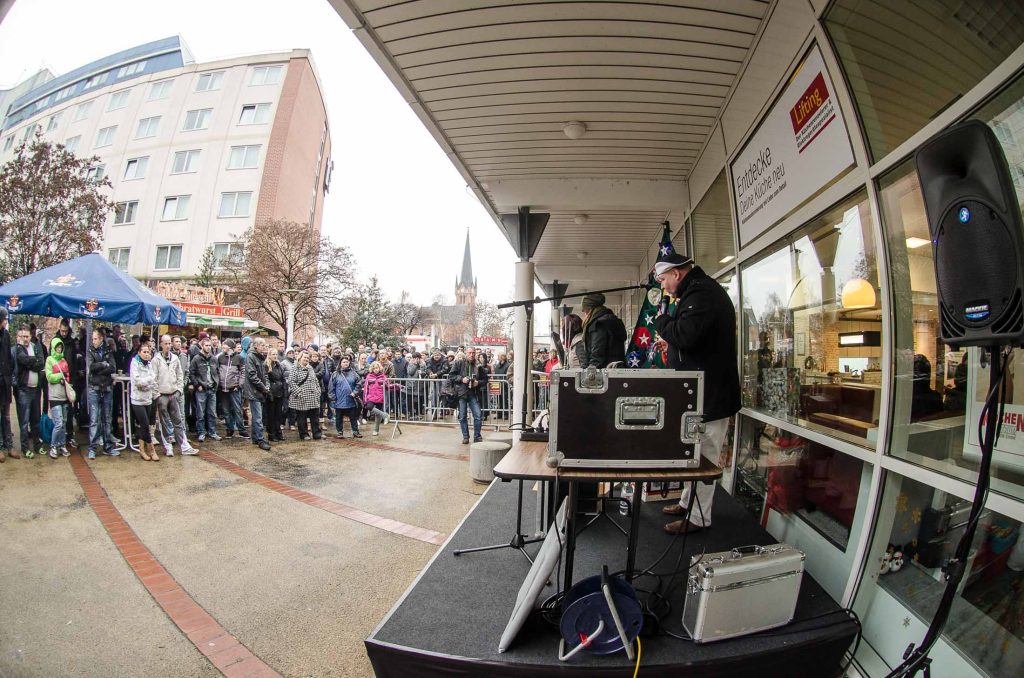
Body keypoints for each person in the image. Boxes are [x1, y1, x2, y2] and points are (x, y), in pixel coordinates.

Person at [652, 252, 741, 534]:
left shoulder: (702, 295)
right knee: (694, 453)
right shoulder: (698, 293)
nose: (663, 286)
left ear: (677, 274)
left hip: (711, 397)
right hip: (702, 395)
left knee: (705, 458)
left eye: (664, 279)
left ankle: (699, 518)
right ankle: (686, 502)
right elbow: (695, 340)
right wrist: (673, 348)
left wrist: (662, 322)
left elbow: (686, 334)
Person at [154, 334, 195, 456]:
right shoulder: (156, 360)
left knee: (178, 421)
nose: (167, 346)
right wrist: (157, 395)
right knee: (164, 423)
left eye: (169, 343)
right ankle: (168, 446)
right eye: (165, 343)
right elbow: (154, 378)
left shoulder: (175, 359)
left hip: (173, 394)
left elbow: (180, 375)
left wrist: (179, 390)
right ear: (161, 344)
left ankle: (184, 446)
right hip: (162, 395)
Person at [13, 326, 45, 458]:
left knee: (36, 420)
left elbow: (41, 363)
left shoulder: (35, 346)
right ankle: (25, 448)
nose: (25, 339)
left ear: (30, 336)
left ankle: (37, 445)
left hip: (36, 390)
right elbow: (22, 359)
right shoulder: (18, 349)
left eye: (27, 336)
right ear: (18, 337)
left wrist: (31, 362)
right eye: (22, 336)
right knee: (24, 422)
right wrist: (33, 361)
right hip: (23, 390)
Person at [86, 329, 117, 459]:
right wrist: (103, 365)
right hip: (94, 388)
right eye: (92, 339)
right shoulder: (89, 351)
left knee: (107, 418)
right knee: (94, 419)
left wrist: (101, 368)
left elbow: (112, 368)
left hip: (107, 388)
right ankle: (92, 448)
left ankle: (108, 446)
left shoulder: (108, 350)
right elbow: (91, 367)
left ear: (101, 339)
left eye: (95, 339)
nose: (93, 341)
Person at [129, 343, 160, 461]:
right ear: (139, 352)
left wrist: (147, 382)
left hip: (148, 398)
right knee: (145, 424)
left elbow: (154, 378)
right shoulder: (134, 362)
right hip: (137, 399)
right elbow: (137, 382)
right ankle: (151, 449)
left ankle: (142, 450)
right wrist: (148, 381)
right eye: (144, 352)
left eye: (148, 352)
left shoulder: (149, 364)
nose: (147, 354)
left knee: (144, 426)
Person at [580, 292, 627, 368]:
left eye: (585, 310)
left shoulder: (598, 324)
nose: (584, 313)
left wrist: (590, 371)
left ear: (590, 310)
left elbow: (597, 354)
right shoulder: (611, 320)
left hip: (605, 371)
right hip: (615, 369)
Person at [44, 336, 73, 459]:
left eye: (61, 347)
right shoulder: (49, 360)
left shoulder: (64, 361)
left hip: (64, 396)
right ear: (53, 348)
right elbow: (49, 376)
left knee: (64, 422)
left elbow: (68, 377)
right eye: (57, 347)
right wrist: (59, 378)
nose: (59, 349)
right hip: (54, 396)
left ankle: (62, 444)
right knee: (58, 423)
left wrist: (65, 380)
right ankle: (53, 446)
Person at [449, 348, 485, 444]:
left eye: (473, 353)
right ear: (466, 353)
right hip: (462, 393)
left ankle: (477, 436)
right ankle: (465, 436)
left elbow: (485, 380)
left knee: (478, 415)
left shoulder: (479, 366)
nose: (471, 355)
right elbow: (451, 376)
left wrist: (478, 382)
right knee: (462, 416)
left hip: (474, 393)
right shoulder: (459, 363)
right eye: (469, 353)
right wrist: (461, 379)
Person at [243, 337, 273, 451]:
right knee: (257, 417)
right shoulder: (251, 357)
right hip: (254, 391)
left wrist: (267, 386)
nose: (264, 347)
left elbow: (265, 374)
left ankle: (256, 437)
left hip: (260, 390)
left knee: (257, 416)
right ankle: (260, 439)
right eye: (262, 345)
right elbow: (252, 375)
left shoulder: (261, 357)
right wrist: (263, 387)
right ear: (256, 346)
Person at [189, 337, 221, 442]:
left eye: (209, 345)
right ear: (202, 346)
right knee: (200, 413)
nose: (208, 347)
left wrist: (216, 383)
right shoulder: (196, 358)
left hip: (212, 389)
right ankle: (201, 432)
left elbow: (217, 372)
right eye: (206, 345)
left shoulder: (214, 359)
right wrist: (197, 384)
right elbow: (191, 373)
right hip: (201, 389)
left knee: (212, 412)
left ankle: (212, 432)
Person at [289, 350, 322, 440]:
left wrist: (318, 391)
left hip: (313, 397)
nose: (306, 359)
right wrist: (299, 392)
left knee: (315, 416)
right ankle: (304, 434)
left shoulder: (310, 368)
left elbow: (315, 380)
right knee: (302, 417)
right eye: (305, 357)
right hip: (302, 397)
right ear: (300, 357)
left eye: (308, 358)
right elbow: (291, 382)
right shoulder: (294, 368)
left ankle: (316, 433)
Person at [217, 339, 247, 438]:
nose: (222, 347)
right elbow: (217, 371)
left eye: (224, 345)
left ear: (229, 347)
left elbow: (243, 373)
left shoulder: (239, 358)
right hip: (223, 389)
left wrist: (239, 385)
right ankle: (229, 429)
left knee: (237, 410)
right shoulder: (220, 357)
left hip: (234, 389)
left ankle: (242, 430)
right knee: (226, 411)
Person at [330, 356, 363, 438]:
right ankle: (340, 432)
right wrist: (333, 398)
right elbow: (331, 387)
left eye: (347, 362)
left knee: (353, 417)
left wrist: (355, 393)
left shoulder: (354, 373)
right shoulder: (335, 374)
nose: (345, 363)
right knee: (339, 418)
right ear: (340, 363)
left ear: (349, 363)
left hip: (351, 400)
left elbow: (359, 384)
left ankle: (355, 431)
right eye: (344, 362)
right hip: (339, 400)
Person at [362, 361, 391, 436]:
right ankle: (385, 415)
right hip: (371, 397)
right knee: (369, 406)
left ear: (379, 368)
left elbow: (388, 386)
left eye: (377, 368)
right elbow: (365, 389)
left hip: (380, 397)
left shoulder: (383, 377)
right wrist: (365, 399)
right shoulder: (369, 376)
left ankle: (376, 430)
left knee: (377, 415)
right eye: (374, 368)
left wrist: (396, 386)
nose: (376, 369)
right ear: (372, 369)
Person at [265, 348, 287, 442]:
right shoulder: (266, 366)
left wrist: (285, 391)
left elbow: (283, 379)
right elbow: (266, 380)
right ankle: (271, 434)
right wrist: (269, 392)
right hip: (272, 393)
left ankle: (278, 432)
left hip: (280, 392)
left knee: (278, 414)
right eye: (273, 354)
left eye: (276, 354)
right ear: (269, 355)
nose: (275, 356)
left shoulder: (279, 365)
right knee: (271, 415)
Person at [0, 309, 12, 461]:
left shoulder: (6, 335)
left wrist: (9, 374)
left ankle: (9, 446)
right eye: (4, 319)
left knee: (7, 415)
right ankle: (0, 446)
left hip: (5, 381)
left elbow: (9, 357)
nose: (6, 321)